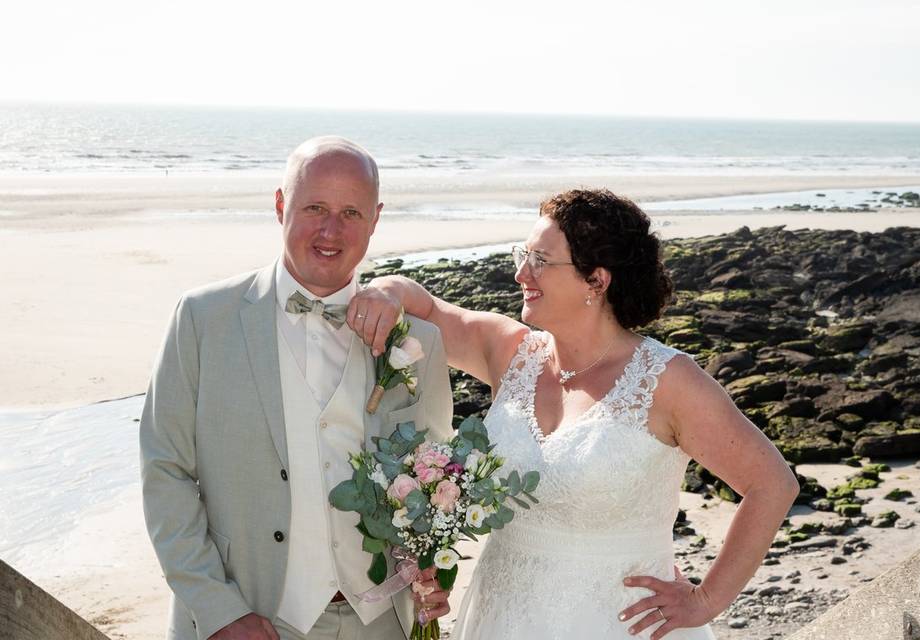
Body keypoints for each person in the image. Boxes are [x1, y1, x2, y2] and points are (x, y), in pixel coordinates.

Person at [347, 189, 800, 639]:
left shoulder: (667, 380)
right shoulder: (511, 352)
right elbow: (423, 305)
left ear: (596, 281)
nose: (522, 273)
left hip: (615, 623)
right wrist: (384, 291)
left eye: (540, 260)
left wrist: (706, 600)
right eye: (522, 255)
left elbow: (772, 484)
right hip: (502, 616)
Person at [140, 136, 454, 640]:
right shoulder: (202, 319)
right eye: (315, 208)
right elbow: (165, 472)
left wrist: (431, 567)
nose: (331, 230)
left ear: (376, 219)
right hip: (250, 619)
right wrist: (218, 608)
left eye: (352, 212)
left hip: (384, 621)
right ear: (281, 205)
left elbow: (436, 482)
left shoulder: (419, 343)